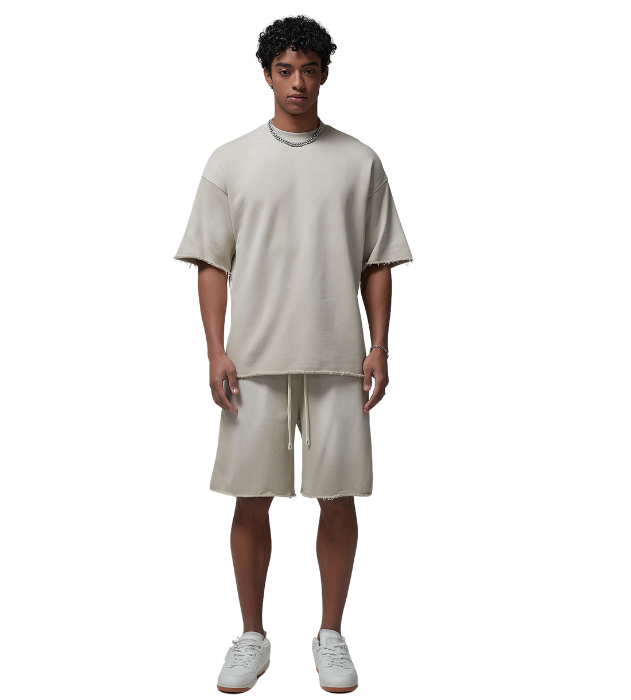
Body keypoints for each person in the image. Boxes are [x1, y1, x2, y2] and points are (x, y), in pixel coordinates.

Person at [174, 15, 412, 694]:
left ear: (325, 74)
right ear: (267, 75)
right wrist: (215, 349)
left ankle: (330, 634)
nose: (298, 83)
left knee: (338, 498)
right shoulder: (230, 161)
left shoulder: (359, 161)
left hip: (338, 357)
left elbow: (377, 262)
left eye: (309, 69)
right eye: (285, 70)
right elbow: (212, 262)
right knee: (250, 499)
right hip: (253, 360)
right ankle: (252, 637)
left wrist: (380, 346)